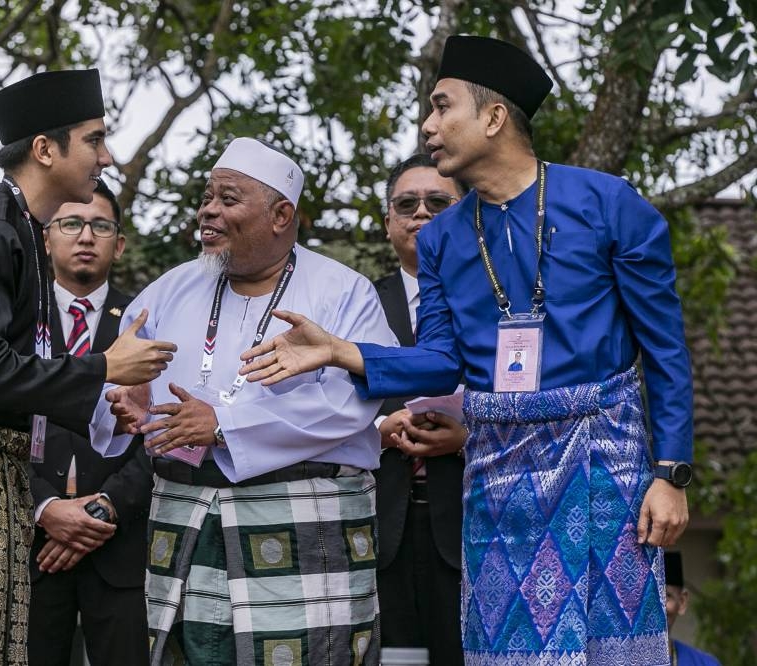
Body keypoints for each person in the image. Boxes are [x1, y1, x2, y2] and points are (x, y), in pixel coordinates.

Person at [241, 36, 692, 664]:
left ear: (494, 117)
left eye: (440, 106)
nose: (428, 126)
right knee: (505, 646)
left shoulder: (608, 204)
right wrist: (343, 352)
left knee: (606, 648)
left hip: (602, 458)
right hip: (498, 465)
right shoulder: (445, 237)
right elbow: (442, 360)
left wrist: (671, 474)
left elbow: (666, 351)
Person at [0, 69, 176, 665]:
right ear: (45, 149)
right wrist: (101, 368)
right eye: (94, 140)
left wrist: (103, 409)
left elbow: (20, 365)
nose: (107, 156)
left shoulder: (25, 229)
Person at [93, 137, 398, 665]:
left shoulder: (343, 292)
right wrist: (123, 406)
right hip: (184, 515)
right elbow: (119, 379)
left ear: (282, 215)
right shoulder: (171, 288)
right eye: (207, 196)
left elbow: (353, 403)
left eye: (228, 199)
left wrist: (223, 423)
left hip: (303, 516)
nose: (208, 210)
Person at [27, 182, 153, 666]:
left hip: (120, 546)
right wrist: (47, 508)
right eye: (71, 224)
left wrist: (105, 508)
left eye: (101, 225)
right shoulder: (19, 320)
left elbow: (163, 430)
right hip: (33, 545)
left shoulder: (145, 322)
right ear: (46, 237)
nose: (86, 236)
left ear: (118, 243)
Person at [372, 153, 467, 664]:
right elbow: (324, 401)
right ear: (388, 221)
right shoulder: (356, 302)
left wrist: (470, 434)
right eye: (406, 204)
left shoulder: (497, 304)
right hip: (378, 527)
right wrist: (377, 428)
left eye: (438, 202)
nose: (421, 215)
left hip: (473, 526)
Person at [664, 551, 721, 665]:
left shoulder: (705, 664)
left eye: (665, 596)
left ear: (682, 602)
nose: (653, 607)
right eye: (645, 597)